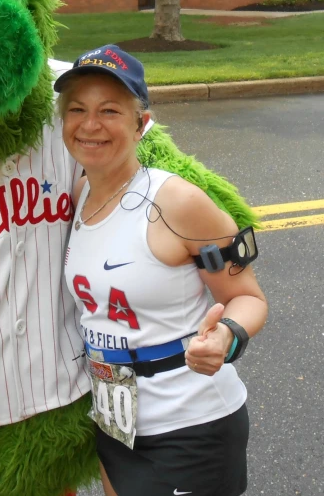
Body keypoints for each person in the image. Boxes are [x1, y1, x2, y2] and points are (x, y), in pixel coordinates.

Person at [55, 44, 268, 496]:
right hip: (115, 422)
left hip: (192, 423)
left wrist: (227, 336)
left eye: (110, 110)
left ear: (141, 124)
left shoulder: (176, 202)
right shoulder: (76, 198)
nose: (90, 125)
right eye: (77, 109)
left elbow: (248, 298)